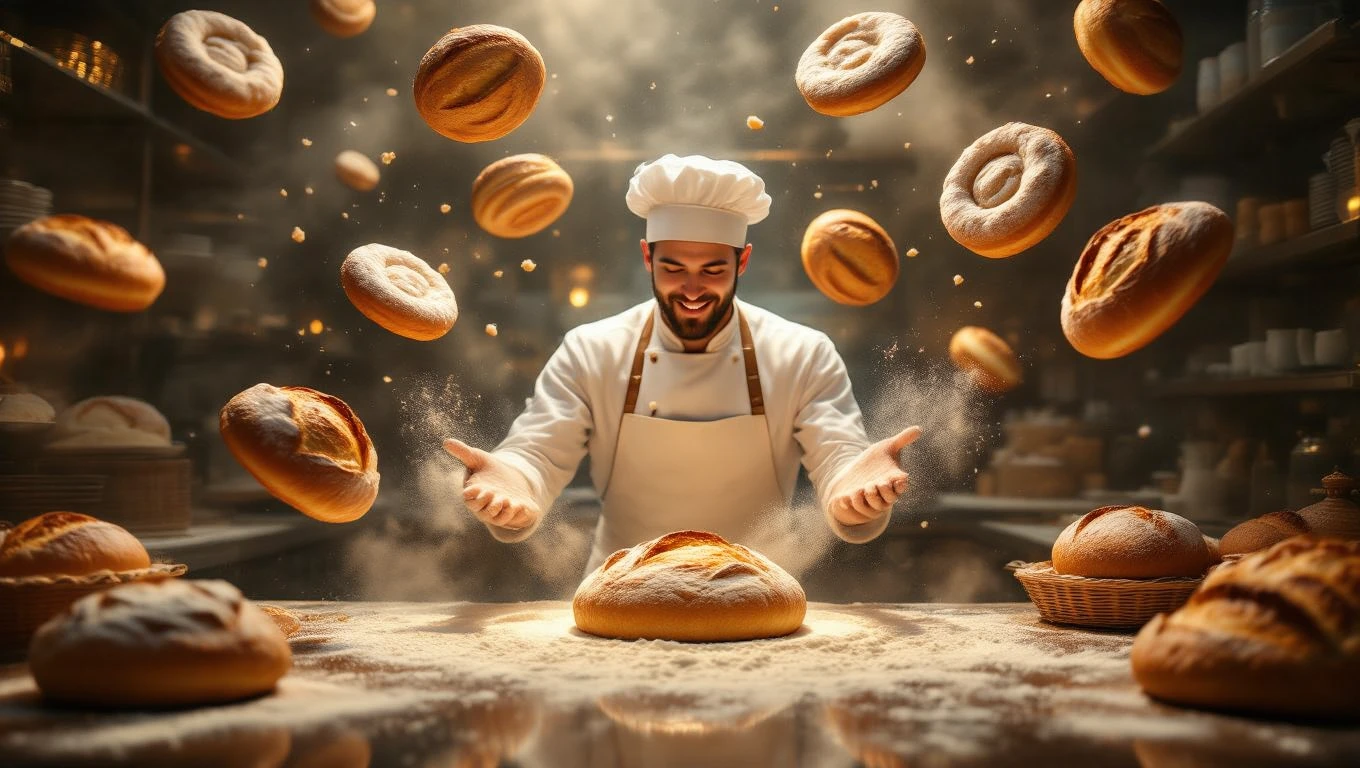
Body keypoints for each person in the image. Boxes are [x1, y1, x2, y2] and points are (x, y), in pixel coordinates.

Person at [443, 154, 922, 573]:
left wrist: (856, 491)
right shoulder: (592, 349)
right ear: (647, 257)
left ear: (743, 262)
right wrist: (513, 481)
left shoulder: (802, 352)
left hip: (758, 596)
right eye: (674, 268)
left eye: (714, 270)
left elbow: (839, 456)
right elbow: (539, 453)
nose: (693, 289)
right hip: (620, 595)